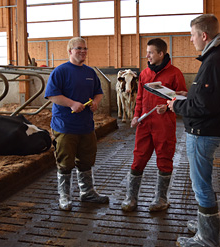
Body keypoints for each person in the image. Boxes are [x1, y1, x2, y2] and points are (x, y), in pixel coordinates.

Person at [167, 14, 220, 247]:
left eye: (192, 35)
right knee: (203, 181)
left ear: (203, 35)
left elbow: (207, 106)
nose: (190, 40)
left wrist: (176, 105)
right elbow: (209, 97)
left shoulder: (214, 60)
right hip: (209, 129)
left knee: (201, 185)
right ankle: (206, 225)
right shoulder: (218, 57)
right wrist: (188, 96)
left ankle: (207, 239)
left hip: (203, 132)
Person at [121, 38, 187, 212]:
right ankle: (131, 197)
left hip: (164, 124)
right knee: (138, 159)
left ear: (161, 53)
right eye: (147, 52)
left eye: (150, 52)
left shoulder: (175, 73)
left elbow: (182, 97)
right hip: (144, 123)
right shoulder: (144, 74)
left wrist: (167, 107)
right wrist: (136, 116)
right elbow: (140, 99)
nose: (147, 55)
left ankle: (161, 198)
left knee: (164, 159)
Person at [44, 37, 109, 211]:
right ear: (70, 51)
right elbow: (51, 95)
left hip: (86, 126)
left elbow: (98, 92)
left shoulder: (90, 72)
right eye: (78, 48)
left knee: (86, 160)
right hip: (65, 126)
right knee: (65, 162)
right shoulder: (60, 71)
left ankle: (87, 192)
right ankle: (64, 196)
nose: (82, 51)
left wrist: (96, 102)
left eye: (85, 48)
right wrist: (72, 103)